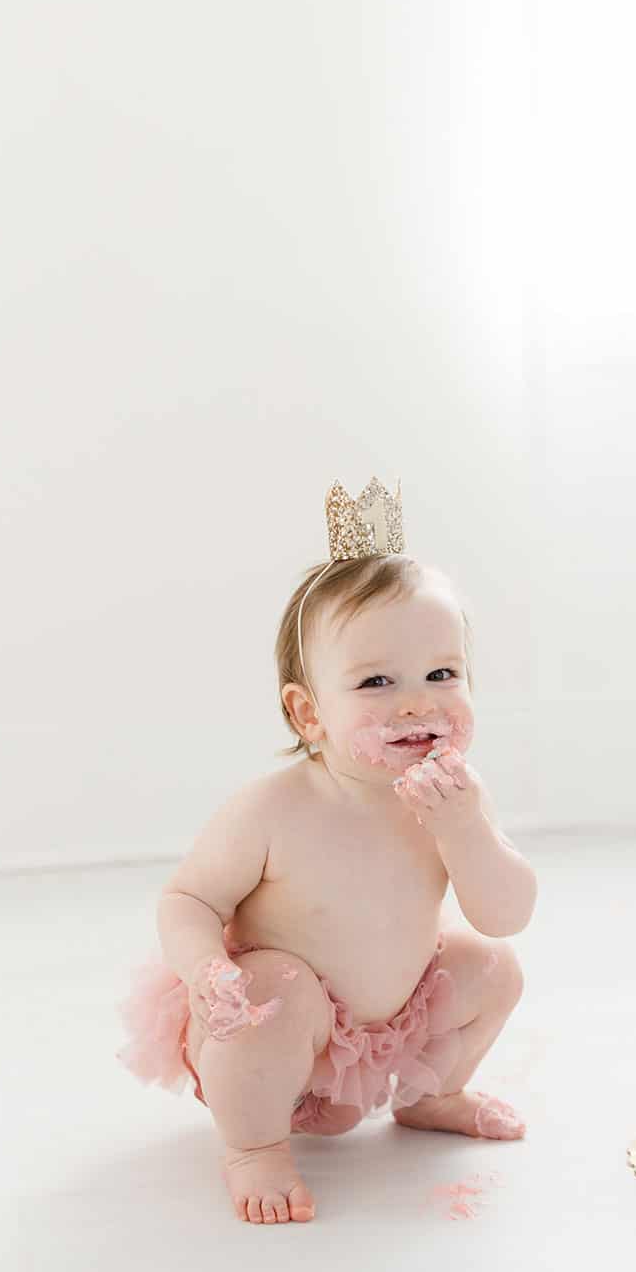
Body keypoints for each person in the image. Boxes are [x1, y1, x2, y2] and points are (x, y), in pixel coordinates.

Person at [117, 477, 535, 1224]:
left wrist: (466, 832)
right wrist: (205, 969)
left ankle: (431, 1096)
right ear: (309, 713)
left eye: (442, 674)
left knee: (491, 968)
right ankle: (253, 1145)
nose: (415, 701)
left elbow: (506, 914)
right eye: (377, 681)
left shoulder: (454, 798)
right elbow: (189, 898)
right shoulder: (276, 808)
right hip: (277, 1032)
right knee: (274, 989)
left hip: (388, 1029)